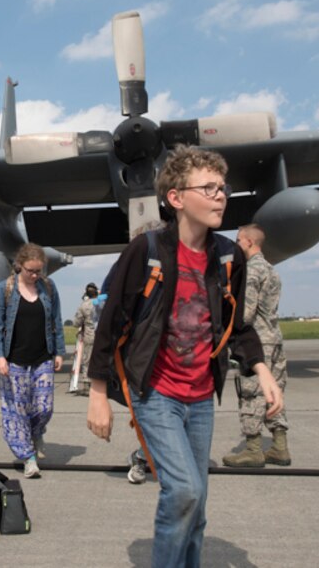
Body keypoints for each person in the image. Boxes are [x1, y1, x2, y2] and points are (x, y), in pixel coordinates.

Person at [86, 145, 283, 568]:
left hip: (201, 397)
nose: (220, 196)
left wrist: (262, 370)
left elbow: (237, 325)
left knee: (197, 506)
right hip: (156, 393)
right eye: (208, 188)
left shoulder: (228, 256)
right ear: (176, 197)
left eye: (222, 187)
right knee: (183, 492)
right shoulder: (146, 251)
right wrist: (97, 393)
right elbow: (111, 322)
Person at [0, 243, 66, 479]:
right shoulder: (4, 289)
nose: (34, 275)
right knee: (18, 411)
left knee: (44, 407)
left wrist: (59, 351)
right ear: (19, 265)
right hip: (14, 360)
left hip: (42, 357)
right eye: (30, 271)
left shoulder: (48, 288)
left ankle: (36, 432)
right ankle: (28, 458)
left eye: (38, 271)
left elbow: (56, 320)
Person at [222, 223, 290, 467]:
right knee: (274, 392)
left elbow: (245, 313)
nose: (237, 244)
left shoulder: (251, 271)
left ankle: (253, 449)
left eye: (239, 240)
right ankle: (280, 446)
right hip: (274, 337)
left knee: (251, 391)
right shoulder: (272, 270)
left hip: (257, 343)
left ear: (249, 242)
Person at [70, 283, 100, 396]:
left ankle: (87, 386)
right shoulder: (103, 303)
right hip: (103, 336)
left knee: (87, 360)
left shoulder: (84, 305)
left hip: (90, 336)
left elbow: (76, 323)